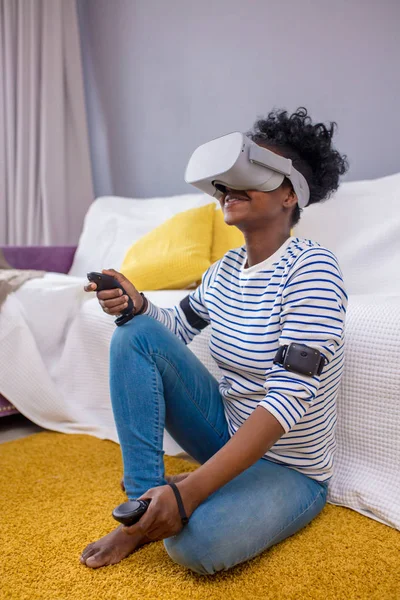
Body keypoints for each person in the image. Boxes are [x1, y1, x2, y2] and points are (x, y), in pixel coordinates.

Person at [80, 107, 349, 575]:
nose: (225, 189)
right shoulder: (223, 271)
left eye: (246, 175)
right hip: (223, 433)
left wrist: (190, 492)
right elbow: (174, 331)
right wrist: (138, 304)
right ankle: (141, 509)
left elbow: (290, 398)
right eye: (221, 183)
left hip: (290, 468)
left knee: (196, 548)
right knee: (136, 334)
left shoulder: (313, 270)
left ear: (289, 193)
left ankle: (181, 494)